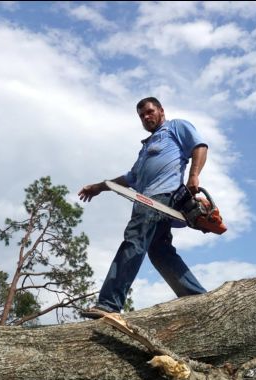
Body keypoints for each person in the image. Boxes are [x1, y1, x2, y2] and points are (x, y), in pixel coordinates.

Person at [78, 97, 208, 318]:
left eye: (149, 112)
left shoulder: (175, 127)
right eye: (141, 116)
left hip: (161, 198)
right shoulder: (146, 148)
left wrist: (194, 175)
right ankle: (197, 299)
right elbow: (131, 178)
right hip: (146, 201)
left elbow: (199, 146)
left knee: (134, 241)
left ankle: (109, 304)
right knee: (159, 251)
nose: (146, 118)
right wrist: (100, 186)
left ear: (161, 111)